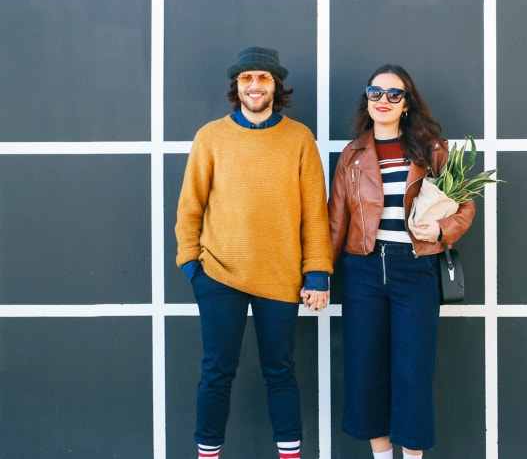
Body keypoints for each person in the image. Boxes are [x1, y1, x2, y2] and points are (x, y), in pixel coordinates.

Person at [175, 46, 332, 459]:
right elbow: (190, 206)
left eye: (263, 78)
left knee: (280, 372)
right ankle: (207, 453)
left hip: (280, 275)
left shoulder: (299, 138)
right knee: (216, 372)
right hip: (219, 273)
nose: (255, 85)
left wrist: (317, 273)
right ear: (237, 86)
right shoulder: (211, 136)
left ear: (276, 84)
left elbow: (315, 214)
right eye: (247, 78)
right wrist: (192, 265)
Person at [327, 65, 476, 459]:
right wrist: (318, 275)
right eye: (375, 93)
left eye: (394, 94)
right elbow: (335, 222)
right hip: (363, 270)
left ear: (407, 104)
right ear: (367, 99)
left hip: (416, 268)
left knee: (413, 371)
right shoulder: (352, 155)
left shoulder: (433, 151)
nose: (383, 101)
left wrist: (442, 230)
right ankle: (380, 455)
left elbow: (465, 206)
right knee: (365, 368)